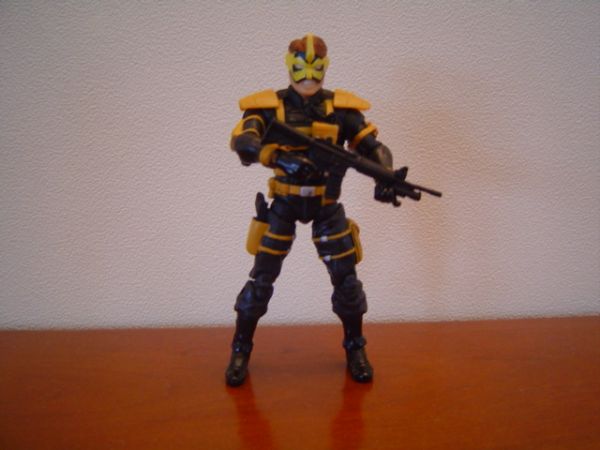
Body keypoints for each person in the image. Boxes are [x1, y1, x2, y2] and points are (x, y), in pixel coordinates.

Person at [226, 33, 398, 387]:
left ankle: (355, 348)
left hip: (325, 204)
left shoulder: (341, 109)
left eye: (316, 67)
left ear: (326, 66)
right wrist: (278, 157)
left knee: (346, 280)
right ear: (289, 66)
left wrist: (386, 175)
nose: (308, 74)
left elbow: (373, 147)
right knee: (261, 279)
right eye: (301, 66)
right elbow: (244, 142)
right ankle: (240, 349)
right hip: (284, 203)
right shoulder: (268, 106)